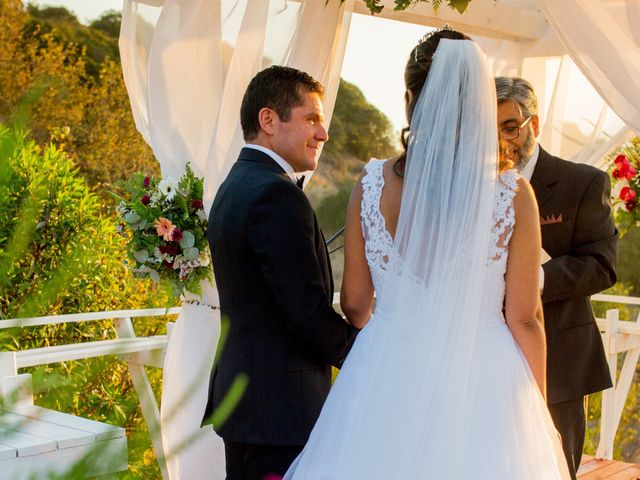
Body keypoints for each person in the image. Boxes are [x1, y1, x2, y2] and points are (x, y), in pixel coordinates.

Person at [284, 28, 570, 480]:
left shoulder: (371, 183)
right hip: (484, 374)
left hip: (388, 366)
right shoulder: (513, 192)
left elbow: (356, 302)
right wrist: (538, 411)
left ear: (411, 99)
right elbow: (524, 317)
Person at [202, 66, 358, 479]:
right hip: (279, 409)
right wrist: (367, 354)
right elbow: (304, 311)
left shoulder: (236, 185)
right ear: (268, 120)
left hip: (252, 404)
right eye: (311, 118)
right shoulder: (275, 194)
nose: (323, 133)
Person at [495, 76, 618, 479]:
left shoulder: (583, 182)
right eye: (492, 127)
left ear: (535, 122)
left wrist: (534, 277)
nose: (503, 139)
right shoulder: (473, 186)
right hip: (485, 356)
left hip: (560, 360)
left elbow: (602, 264)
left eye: (510, 126)